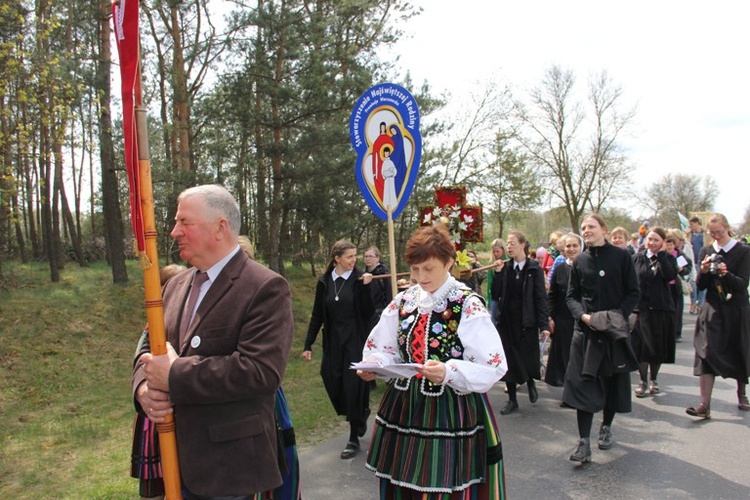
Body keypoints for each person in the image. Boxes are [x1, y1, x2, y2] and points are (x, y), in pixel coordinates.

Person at [132, 184, 294, 498]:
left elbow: (260, 372)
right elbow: (147, 347)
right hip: (174, 458)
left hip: (229, 468)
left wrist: (174, 375)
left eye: (184, 222)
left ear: (220, 227)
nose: (173, 231)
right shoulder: (174, 285)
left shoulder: (265, 287)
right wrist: (143, 388)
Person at [357, 224, 508, 498]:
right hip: (403, 407)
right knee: (401, 484)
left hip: (450, 409)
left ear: (448, 262)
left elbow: (493, 364)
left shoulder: (466, 304)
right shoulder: (403, 301)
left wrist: (449, 371)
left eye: (428, 268)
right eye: (415, 269)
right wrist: (376, 365)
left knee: (442, 484)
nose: (420, 276)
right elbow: (384, 345)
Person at [563, 213, 639, 463]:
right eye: (583, 227)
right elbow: (571, 297)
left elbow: (633, 292)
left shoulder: (621, 257)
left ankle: (606, 427)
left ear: (604, 229)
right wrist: (583, 317)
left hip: (613, 333)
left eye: (591, 227)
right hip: (585, 333)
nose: (586, 231)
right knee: (583, 386)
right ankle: (583, 443)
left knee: (612, 384)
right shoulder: (580, 261)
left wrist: (617, 317)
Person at [302, 240, 374, 459]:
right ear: (337, 258)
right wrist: (308, 345)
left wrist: (366, 288)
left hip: (354, 339)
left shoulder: (359, 279)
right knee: (331, 378)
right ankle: (359, 414)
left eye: (355, 256)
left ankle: (353, 437)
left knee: (352, 385)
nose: (355, 260)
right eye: (350, 256)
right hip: (333, 339)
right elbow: (317, 315)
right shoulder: (324, 282)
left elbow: (368, 312)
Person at [686, 213, 750, 419]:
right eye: (712, 233)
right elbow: (700, 285)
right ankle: (705, 404)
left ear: (728, 228)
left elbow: (742, 284)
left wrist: (726, 274)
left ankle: (742, 394)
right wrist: (704, 271)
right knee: (705, 352)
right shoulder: (706, 250)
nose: (716, 237)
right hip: (712, 309)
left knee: (738, 349)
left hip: (736, 309)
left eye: (719, 232)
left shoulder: (743, 251)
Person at [130, 264, 186, 500]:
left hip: (180, 414)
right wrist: (143, 388)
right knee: (158, 481)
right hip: (155, 415)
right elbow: (140, 360)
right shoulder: (152, 326)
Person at [492, 231, 550, 415]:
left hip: (527, 321)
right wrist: (498, 274)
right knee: (508, 359)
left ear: (523, 245)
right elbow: (495, 294)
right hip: (507, 321)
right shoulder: (506, 267)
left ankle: (531, 382)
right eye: (507, 244)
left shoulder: (534, 269)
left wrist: (544, 325)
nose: (509, 247)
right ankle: (512, 401)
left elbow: (541, 298)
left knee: (527, 357)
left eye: (512, 243)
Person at [631, 227, 678, 398]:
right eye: (650, 239)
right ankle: (642, 381)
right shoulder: (637, 258)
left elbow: (669, 276)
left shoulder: (669, 259)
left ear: (663, 242)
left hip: (661, 309)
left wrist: (663, 256)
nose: (652, 243)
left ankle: (654, 379)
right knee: (642, 347)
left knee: (657, 347)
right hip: (640, 309)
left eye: (656, 240)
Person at [545, 233, 582, 388]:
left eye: (575, 246)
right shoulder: (560, 268)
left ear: (581, 247)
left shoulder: (587, 267)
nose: (571, 249)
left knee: (578, 357)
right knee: (564, 357)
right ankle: (568, 389)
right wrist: (550, 317)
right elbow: (552, 294)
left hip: (581, 319)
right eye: (568, 246)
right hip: (562, 319)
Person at [666, 230, 693, 342]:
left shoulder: (680, 254)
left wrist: (682, 270)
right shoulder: (662, 254)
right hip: (664, 287)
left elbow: (688, 267)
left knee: (677, 310)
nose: (669, 246)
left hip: (676, 287)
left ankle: (676, 333)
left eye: (671, 243)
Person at [363, 246, 393, 330]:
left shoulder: (383, 273)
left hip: (381, 311)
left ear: (377, 258)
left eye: (370, 256)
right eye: (366, 256)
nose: (368, 259)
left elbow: (389, 293)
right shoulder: (363, 274)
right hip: (368, 314)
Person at [687, 216, 708, 314]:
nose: (690, 226)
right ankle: (693, 303)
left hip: (702, 261)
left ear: (697, 223)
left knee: (702, 284)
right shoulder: (689, 234)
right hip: (692, 261)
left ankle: (700, 304)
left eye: (692, 224)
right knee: (693, 284)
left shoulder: (704, 234)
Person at [485, 238, 508, 325]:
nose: (496, 254)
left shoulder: (508, 261)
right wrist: (489, 299)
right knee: (493, 321)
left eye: (498, 251)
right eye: (494, 251)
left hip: (504, 295)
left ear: (503, 249)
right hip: (494, 296)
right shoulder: (491, 263)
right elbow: (489, 282)